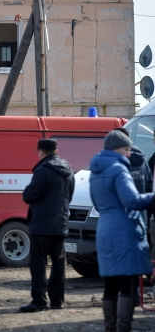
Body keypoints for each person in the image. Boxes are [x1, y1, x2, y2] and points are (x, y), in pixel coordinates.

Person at [89, 130, 154, 332]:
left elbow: (98, 204)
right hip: (124, 229)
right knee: (128, 281)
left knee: (110, 283)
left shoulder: (95, 171)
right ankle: (123, 328)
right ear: (117, 149)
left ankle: (110, 328)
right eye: (126, 149)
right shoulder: (118, 170)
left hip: (105, 229)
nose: (129, 154)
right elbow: (132, 201)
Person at [20, 139, 75, 312]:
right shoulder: (68, 170)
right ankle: (57, 300)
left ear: (41, 152)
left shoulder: (43, 170)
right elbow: (69, 195)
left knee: (38, 263)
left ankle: (39, 300)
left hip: (42, 223)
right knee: (59, 262)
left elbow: (29, 195)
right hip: (60, 222)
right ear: (56, 151)